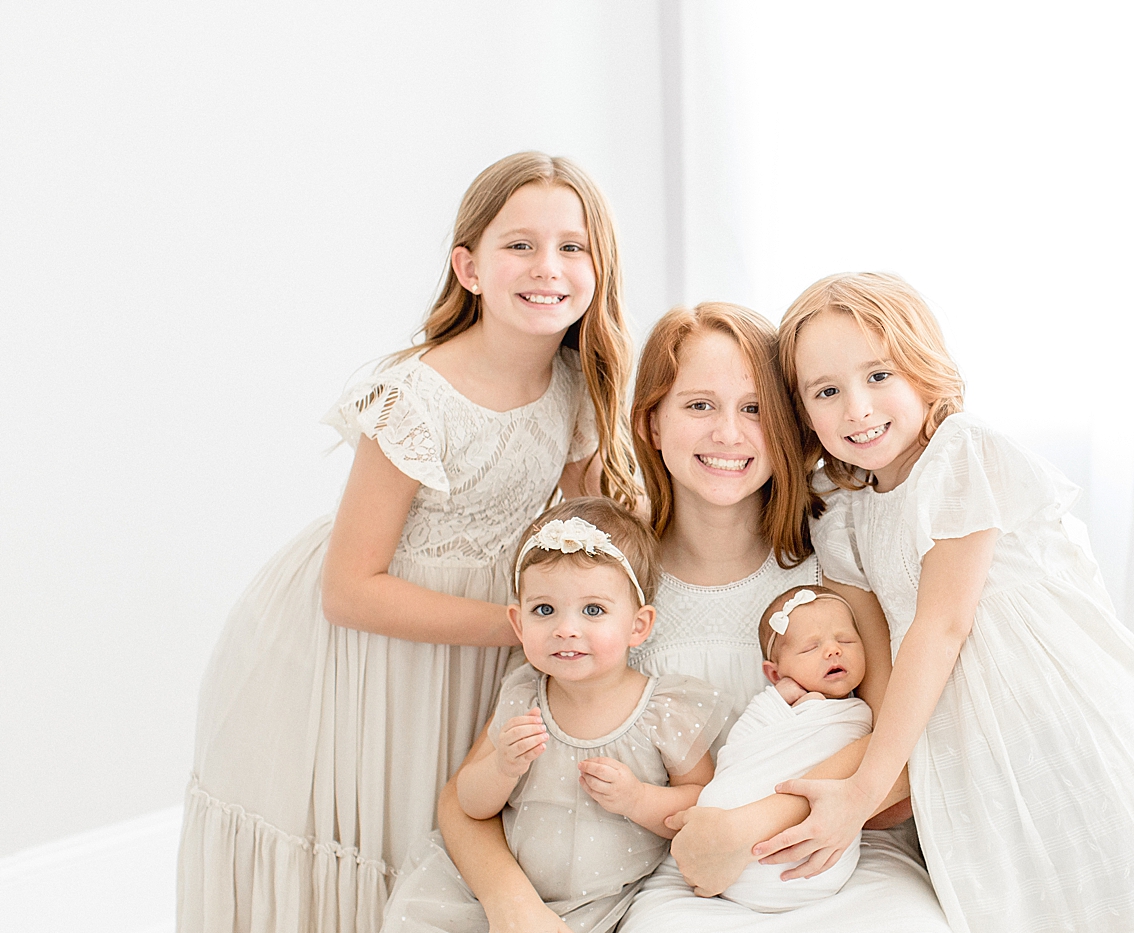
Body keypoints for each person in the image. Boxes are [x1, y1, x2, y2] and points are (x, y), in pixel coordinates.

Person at [177, 151, 640, 933]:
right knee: (372, 838)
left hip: (488, 644)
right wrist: (516, 624)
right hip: (364, 649)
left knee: (451, 831)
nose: (547, 267)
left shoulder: (574, 385)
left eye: (572, 246)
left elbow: (590, 535)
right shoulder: (415, 398)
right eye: (519, 245)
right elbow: (348, 588)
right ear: (469, 266)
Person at [383, 301, 948, 933]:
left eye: (755, 409)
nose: (729, 435)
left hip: (837, 855)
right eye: (699, 405)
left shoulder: (830, 561)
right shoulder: (607, 582)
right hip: (676, 877)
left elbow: (899, 759)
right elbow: (466, 796)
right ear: (652, 423)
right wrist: (512, 902)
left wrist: (747, 825)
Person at [771, 271, 1134, 932]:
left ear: (923, 370)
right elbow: (878, 662)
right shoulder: (844, 512)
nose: (857, 408)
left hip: (1065, 725)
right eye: (827, 391)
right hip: (978, 761)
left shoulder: (960, 456)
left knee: (1133, 894)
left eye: (879, 375)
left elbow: (942, 625)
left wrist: (865, 788)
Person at [388, 497, 728, 933]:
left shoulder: (664, 710)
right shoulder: (523, 694)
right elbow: (469, 803)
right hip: (508, 898)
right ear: (518, 622)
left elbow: (702, 801)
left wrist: (639, 800)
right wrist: (502, 767)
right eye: (544, 610)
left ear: (638, 626)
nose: (566, 629)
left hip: (609, 902)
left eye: (593, 610)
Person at [697, 585, 874, 913]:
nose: (833, 651)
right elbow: (741, 751)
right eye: (811, 648)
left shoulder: (863, 713)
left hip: (821, 873)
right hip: (732, 842)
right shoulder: (770, 711)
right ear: (775, 673)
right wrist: (780, 699)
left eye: (846, 640)